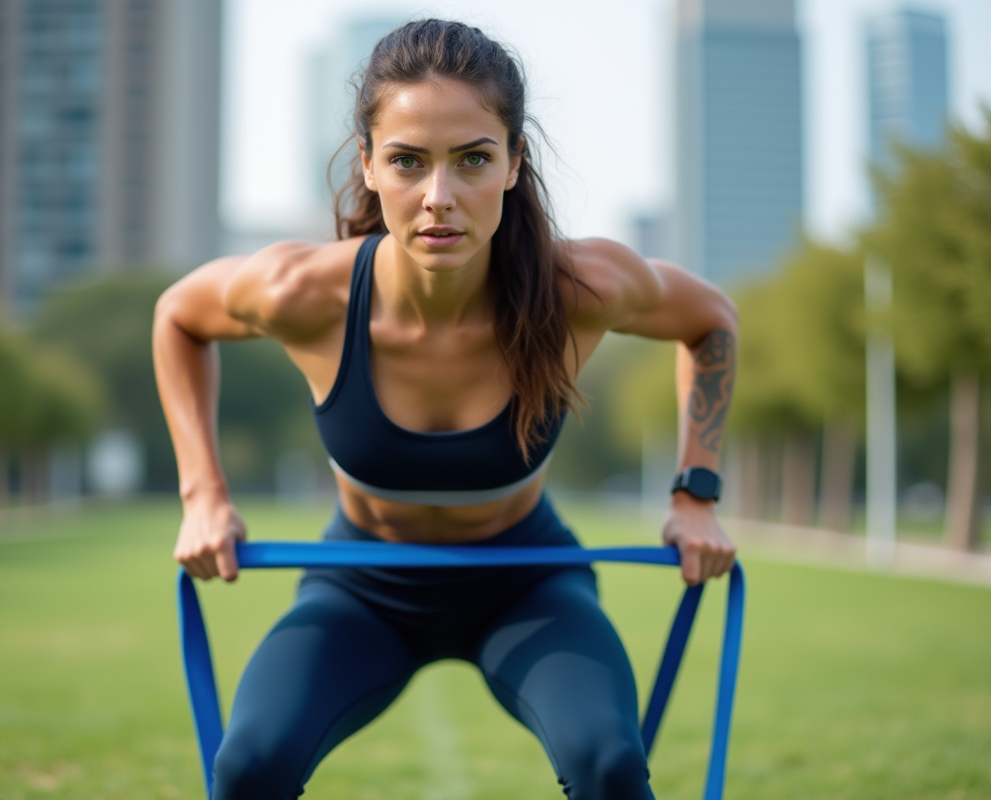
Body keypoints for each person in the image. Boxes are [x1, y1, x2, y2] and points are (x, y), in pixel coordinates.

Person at [153, 19, 737, 800]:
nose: (439, 198)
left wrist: (695, 493)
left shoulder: (579, 289)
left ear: (513, 162)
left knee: (610, 765)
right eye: (406, 161)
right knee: (248, 767)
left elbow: (710, 321)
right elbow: (178, 318)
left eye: (472, 160)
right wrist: (204, 495)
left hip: (527, 585)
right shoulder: (304, 294)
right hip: (362, 587)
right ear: (368, 163)